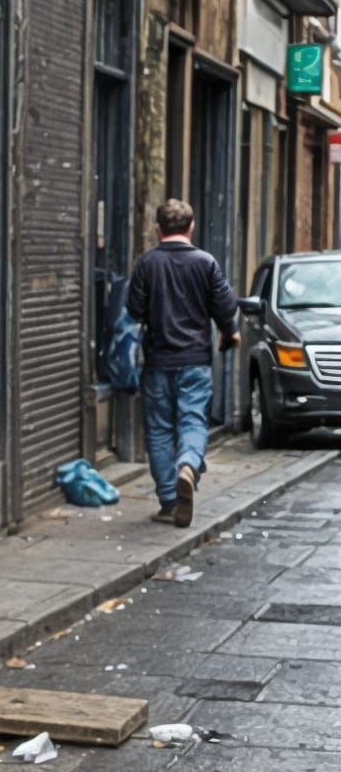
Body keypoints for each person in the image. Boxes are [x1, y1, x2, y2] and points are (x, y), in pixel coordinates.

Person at [127, 198, 238, 527]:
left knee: (159, 432)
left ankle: (169, 503)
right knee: (192, 422)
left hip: (159, 362)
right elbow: (226, 305)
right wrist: (229, 333)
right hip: (194, 362)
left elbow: (134, 310)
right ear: (191, 228)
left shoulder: (147, 264)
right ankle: (188, 465)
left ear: (158, 231)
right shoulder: (206, 263)